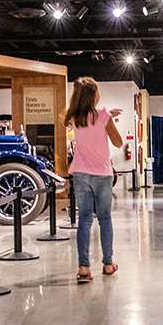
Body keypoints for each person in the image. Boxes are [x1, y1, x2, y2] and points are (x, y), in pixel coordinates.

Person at [66, 77, 123, 282]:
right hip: (102, 174)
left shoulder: (73, 117)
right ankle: (108, 264)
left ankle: (83, 268)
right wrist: (108, 119)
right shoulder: (103, 115)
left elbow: (87, 120)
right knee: (105, 219)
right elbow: (118, 142)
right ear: (94, 95)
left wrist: (107, 114)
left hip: (80, 175)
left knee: (85, 220)